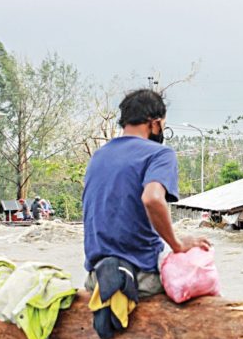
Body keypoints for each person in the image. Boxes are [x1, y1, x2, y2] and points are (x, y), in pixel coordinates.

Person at [82, 89, 211, 298]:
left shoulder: (98, 156)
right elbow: (152, 199)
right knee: (200, 280)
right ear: (155, 123)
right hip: (140, 277)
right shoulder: (159, 154)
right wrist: (177, 245)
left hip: (96, 278)